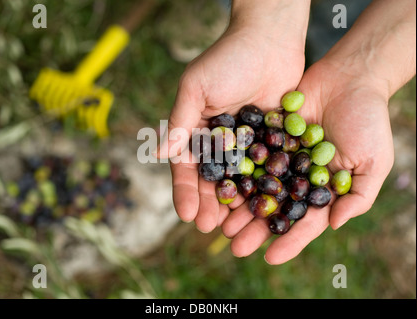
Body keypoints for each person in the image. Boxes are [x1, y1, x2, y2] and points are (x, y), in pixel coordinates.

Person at [156, 0, 416, 264]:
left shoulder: (285, 166)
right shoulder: (267, 157)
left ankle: (335, 42)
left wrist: (364, 72)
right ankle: (219, 10)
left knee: (339, 15)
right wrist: (265, 22)